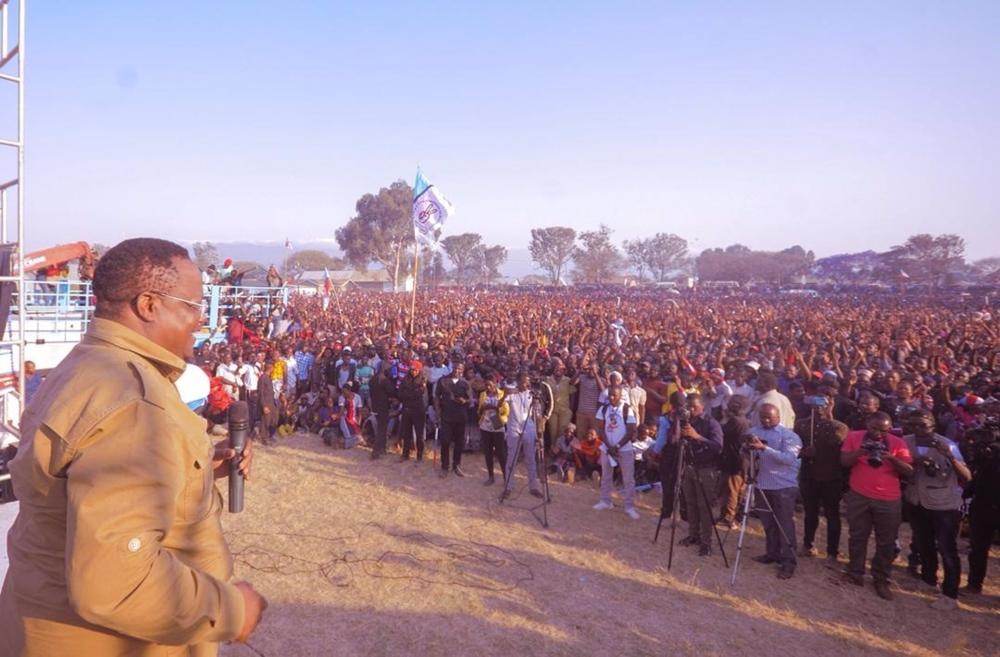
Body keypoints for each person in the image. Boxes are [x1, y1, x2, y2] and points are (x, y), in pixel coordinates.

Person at [0, 238, 266, 654]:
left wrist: (192, 467)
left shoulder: (86, 365)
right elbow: (117, 581)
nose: (201, 320)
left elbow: (73, 483)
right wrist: (232, 610)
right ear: (148, 305)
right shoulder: (133, 399)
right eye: (193, 306)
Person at [840, 412, 914, 600]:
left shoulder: (898, 443)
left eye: (884, 430)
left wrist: (892, 458)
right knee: (858, 536)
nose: (879, 433)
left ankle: (881, 579)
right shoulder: (854, 437)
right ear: (867, 423)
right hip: (859, 495)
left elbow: (909, 471)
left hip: (888, 499)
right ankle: (855, 572)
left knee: (886, 541)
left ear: (890, 428)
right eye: (874, 428)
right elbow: (844, 462)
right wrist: (860, 452)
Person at [902, 409, 971, 610]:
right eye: (913, 424)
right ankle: (928, 579)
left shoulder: (948, 444)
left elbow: (966, 476)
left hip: (944, 505)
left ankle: (950, 593)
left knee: (947, 549)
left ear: (932, 424)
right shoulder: (906, 441)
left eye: (922, 425)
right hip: (916, 501)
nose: (917, 428)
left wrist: (950, 457)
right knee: (923, 543)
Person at [746, 403, 802, 579]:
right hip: (761, 484)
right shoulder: (754, 431)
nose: (765, 420)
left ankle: (788, 562)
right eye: (762, 417)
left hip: (783, 486)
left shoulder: (789, 436)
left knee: (784, 524)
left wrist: (764, 448)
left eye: (769, 417)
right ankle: (772, 553)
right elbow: (747, 453)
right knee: (768, 523)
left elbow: (788, 459)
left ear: (778, 417)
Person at [794, 387, 848, 564]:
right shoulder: (802, 424)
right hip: (809, 475)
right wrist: (803, 452)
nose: (819, 408)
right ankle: (808, 544)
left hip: (831, 477)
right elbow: (794, 447)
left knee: (832, 515)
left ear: (831, 404)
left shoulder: (839, 427)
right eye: (816, 403)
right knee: (810, 512)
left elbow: (836, 440)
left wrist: (828, 418)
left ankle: (832, 552)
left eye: (823, 403)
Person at [676, 394, 724, 555]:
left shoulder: (711, 423)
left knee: (704, 506)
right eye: (688, 406)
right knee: (690, 503)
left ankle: (706, 542)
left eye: (694, 407)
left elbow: (718, 447)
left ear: (702, 406)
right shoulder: (686, 421)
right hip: (689, 466)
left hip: (706, 469)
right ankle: (693, 535)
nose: (691, 410)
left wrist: (697, 436)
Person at [593, 384, 640, 520]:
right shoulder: (604, 409)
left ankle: (629, 507)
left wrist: (618, 446)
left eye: (615, 395)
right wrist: (609, 445)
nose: (612, 397)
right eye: (610, 395)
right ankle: (605, 501)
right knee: (606, 475)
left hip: (624, 449)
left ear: (620, 395)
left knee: (628, 478)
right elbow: (600, 429)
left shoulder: (627, 409)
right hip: (607, 448)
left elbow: (630, 431)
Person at [501, 373, 545, 499]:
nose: (527, 384)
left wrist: (539, 432)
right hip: (513, 428)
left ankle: (533, 487)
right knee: (511, 458)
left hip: (528, 427)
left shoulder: (532, 394)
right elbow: (501, 401)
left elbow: (537, 414)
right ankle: (508, 487)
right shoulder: (512, 392)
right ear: (518, 382)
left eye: (528, 382)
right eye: (524, 382)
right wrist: (507, 394)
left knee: (531, 458)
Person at [435, 362, 472, 477]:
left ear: (462, 370)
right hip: (446, 416)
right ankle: (444, 467)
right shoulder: (443, 381)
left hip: (460, 417)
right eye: (455, 368)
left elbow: (470, 399)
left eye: (459, 368)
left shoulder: (465, 383)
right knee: (445, 442)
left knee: (459, 443)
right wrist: (438, 411)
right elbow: (437, 396)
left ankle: (456, 465)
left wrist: (464, 401)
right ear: (452, 368)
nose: (456, 370)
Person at [478, 377, 508, 485]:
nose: (488, 387)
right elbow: (479, 411)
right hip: (485, 425)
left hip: (497, 422)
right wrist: (484, 408)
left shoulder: (502, 394)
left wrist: (495, 407)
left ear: (495, 384)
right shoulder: (483, 394)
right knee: (488, 452)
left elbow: (506, 411)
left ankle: (506, 477)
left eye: (490, 385)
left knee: (501, 453)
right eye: (486, 385)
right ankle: (491, 476)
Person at [397, 360, 428, 462]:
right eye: (412, 369)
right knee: (407, 433)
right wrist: (410, 393)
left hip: (418, 410)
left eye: (415, 370)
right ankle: (405, 454)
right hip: (407, 408)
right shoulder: (406, 378)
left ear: (419, 370)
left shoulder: (423, 379)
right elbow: (400, 393)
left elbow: (419, 392)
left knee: (419, 434)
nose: (413, 372)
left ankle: (419, 455)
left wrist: (407, 394)